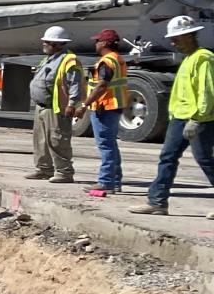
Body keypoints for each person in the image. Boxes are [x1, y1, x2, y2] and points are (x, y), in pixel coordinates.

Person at [132, 15, 214, 216]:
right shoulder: (188, 59)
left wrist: (197, 119)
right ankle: (157, 201)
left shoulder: (203, 58)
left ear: (189, 35)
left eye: (177, 38)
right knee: (167, 157)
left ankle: (157, 200)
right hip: (180, 117)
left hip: (197, 119)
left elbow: (207, 92)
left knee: (204, 159)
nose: (172, 42)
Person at [27, 26, 84, 184]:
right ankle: (43, 169)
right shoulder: (48, 58)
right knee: (40, 141)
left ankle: (64, 172)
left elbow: (75, 84)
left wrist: (72, 104)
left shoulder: (69, 60)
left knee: (58, 140)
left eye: (47, 42)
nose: (44, 44)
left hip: (56, 107)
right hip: (42, 106)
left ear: (58, 44)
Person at [83, 28, 129, 197]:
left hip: (105, 107)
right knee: (111, 145)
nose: (95, 44)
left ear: (104, 43)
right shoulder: (118, 59)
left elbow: (102, 85)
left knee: (106, 145)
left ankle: (106, 182)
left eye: (97, 41)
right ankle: (115, 182)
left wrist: (84, 104)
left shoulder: (107, 61)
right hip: (114, 106)